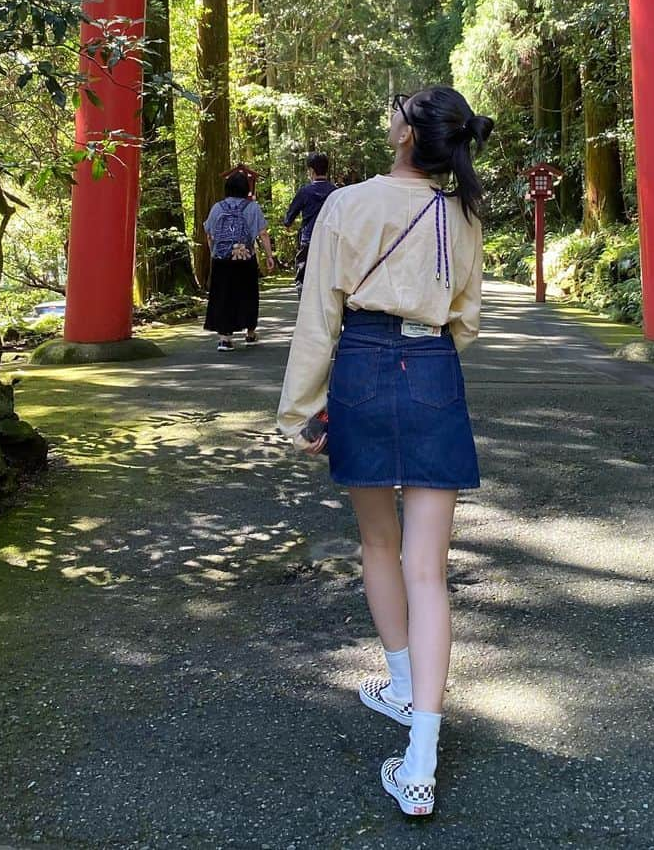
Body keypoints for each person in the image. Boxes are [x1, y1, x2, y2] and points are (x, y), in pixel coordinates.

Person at [277, 86, 494, 818]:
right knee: (428, 571)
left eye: (395, 110)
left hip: (362, 370)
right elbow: (467, 317)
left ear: (407, 136)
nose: (389, 116)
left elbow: (318, 316)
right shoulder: (459, 211)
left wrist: (303, 411)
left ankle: (401, 686)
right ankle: (421, 755)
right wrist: (428, 346)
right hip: (434, 370)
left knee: (378, 545)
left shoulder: (347, 203)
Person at [203, 169, 275, 350]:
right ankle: (250, 333)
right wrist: (269, 256)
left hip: (221, 260)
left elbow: (209, 234)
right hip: (245, 258)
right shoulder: (252, 207)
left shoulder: (217, 208)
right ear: (246, 188)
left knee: (222, 296)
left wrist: (215, 252)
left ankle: (224, 338)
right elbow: (263, 234)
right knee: (248, 295)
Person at [283, 153, 338, 293]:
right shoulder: (336, 192)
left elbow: (289, 216)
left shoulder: (305, 192)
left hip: (309, 238)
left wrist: (288, 224)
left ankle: (303, 303)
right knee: (329, 275)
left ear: (311, 171)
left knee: (303, 274)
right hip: (330, 239)